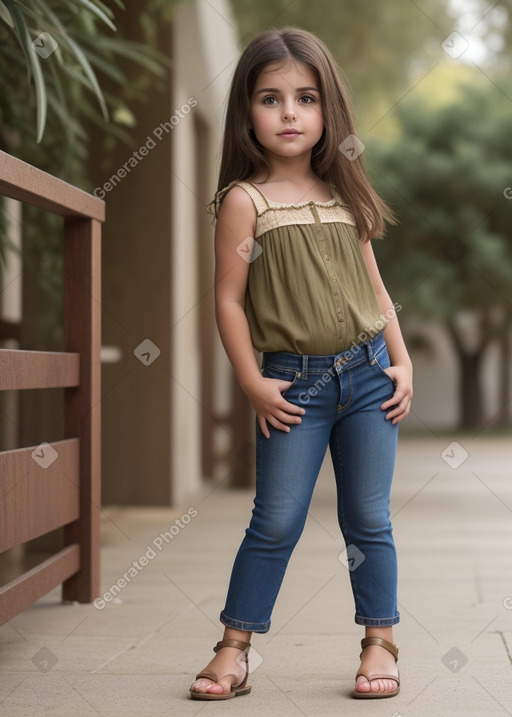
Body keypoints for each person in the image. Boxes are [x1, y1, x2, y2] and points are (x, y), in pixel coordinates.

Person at [189, 25, 413, 701]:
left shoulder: (347, 193)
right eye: (270, 98)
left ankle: (380, 640)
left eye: (305, 98)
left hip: (371, 373)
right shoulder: (244, 201)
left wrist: (401, 363)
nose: (289, 112)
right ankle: (235, 647)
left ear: (327, 111)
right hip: (293, 383)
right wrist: (252, 380)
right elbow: (229, 301)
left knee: (368, 517)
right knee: (277, 518)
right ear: (246, 113)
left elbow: (376, 291)